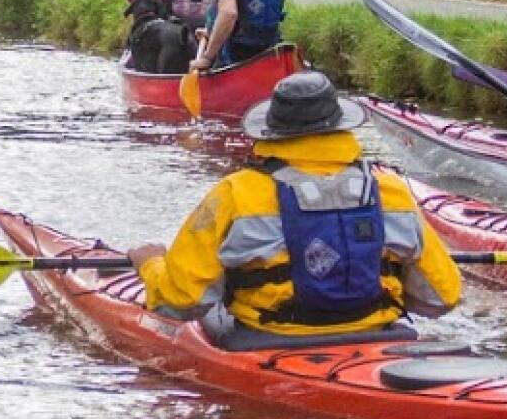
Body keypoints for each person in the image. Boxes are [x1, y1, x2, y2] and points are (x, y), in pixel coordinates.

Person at [122, 71, 461, 349]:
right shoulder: (391, 190)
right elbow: (442, 297)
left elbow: (180, 302)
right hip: (378, 336)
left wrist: (151, 266)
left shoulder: (236, 193)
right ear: (340, 126)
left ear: (273, 133)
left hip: (267, 341)